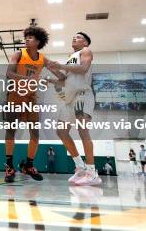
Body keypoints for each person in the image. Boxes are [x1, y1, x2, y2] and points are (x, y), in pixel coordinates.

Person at [3, 26, 60, 183]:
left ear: (38, 41)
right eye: (26, 36)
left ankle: (28, 165)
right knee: (11, 131)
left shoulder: (43, 59)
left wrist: (62, 74)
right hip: (15, 95)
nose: (27, 39)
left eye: (31, 37)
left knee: (35, 135)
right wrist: (27, 79)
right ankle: (9, 166)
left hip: (31, 98)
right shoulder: (18, 54)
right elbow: (9, 73)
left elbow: (59, 74)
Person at [48, 32, 101, 186]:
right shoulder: (70, 57)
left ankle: (92, 173)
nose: (74, 37)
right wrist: (51, 72)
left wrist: (61, 66)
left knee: (82, 130)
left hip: (82, 96)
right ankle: (80, 166)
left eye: (78, 37)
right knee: (61, 131)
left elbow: (83, 69)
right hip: (70, 99)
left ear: (85, 43)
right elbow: (63, 79)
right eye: (74, 36)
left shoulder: (85, 52)